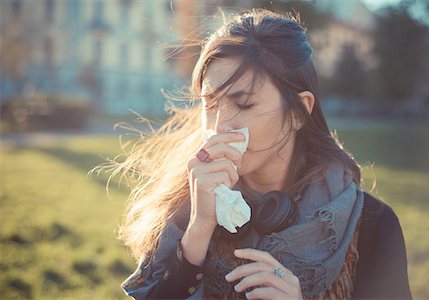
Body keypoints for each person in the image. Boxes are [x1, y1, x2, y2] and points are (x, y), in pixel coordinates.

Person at [108, 8, 412, 300]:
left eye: (243, 104)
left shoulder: (371, 225)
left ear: (299, 112)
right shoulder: (185, 210)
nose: (220, 126)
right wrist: (199, 228)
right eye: (210, 105)